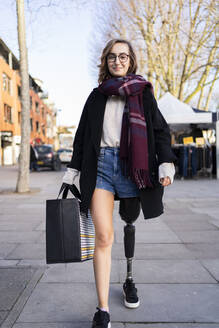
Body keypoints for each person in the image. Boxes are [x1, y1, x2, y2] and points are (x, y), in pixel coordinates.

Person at [62, 39, 177, 328]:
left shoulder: (143, 93)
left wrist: (165, 162)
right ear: (106, 61)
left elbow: (161, 131)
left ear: (131, 60)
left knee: (129, 224)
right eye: (112, 56)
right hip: (101, 168)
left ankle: (128, 279)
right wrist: (73, 170)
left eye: (123, 56)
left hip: (132, 169)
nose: (117, 60)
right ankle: (102, 310)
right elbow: (81, 136)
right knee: (104, 237)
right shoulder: (96, 95)